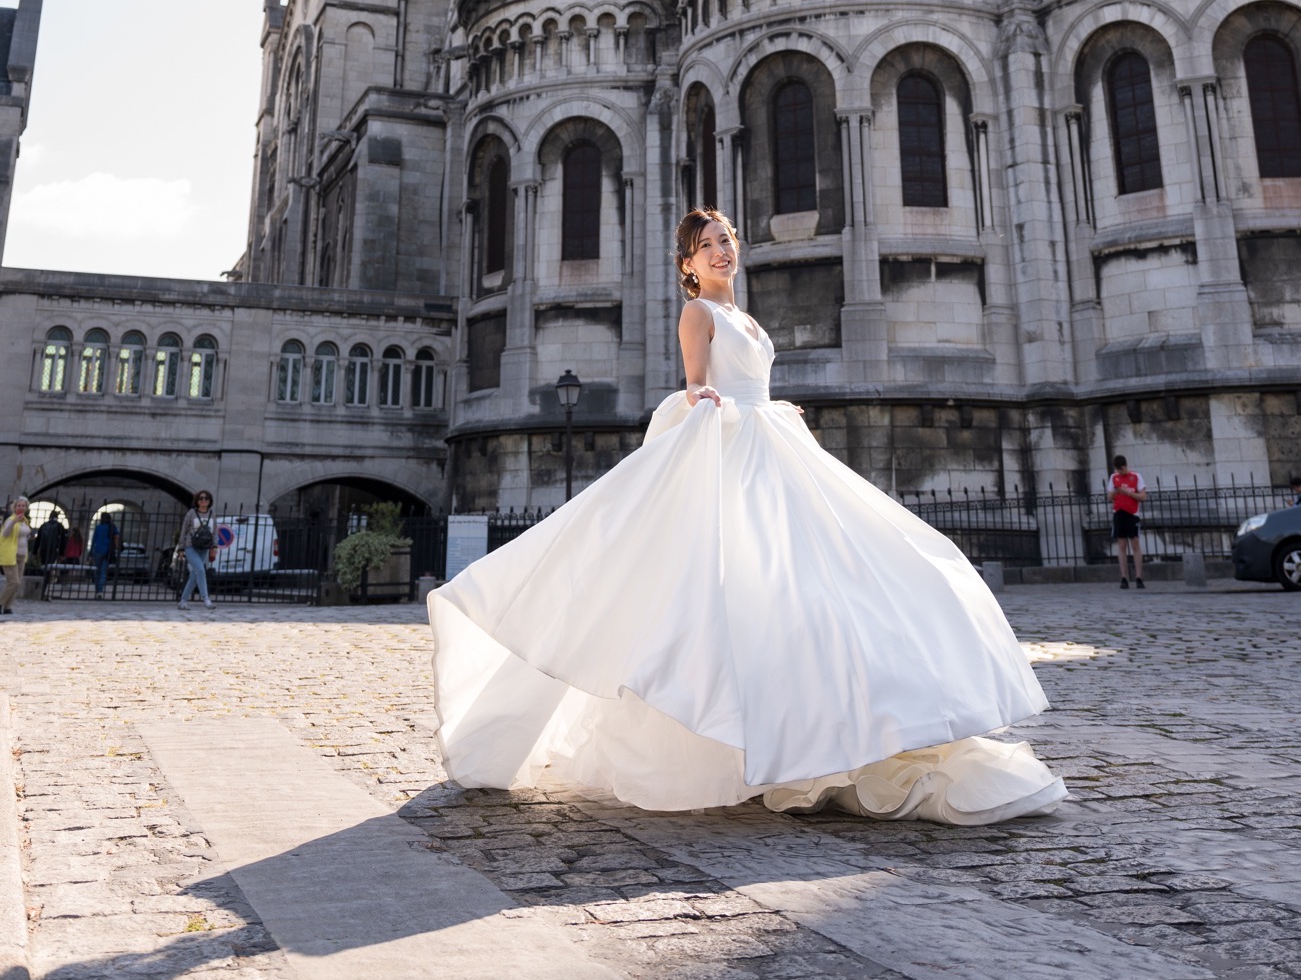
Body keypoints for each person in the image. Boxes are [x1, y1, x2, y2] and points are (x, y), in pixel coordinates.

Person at [430, 209, 1066, 825]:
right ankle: (775, 738)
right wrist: (708, 402)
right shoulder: (699, 312)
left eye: (726, 240)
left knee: (851, 569)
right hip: (737, 447)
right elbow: (698, 385)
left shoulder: (746, 317)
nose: (721, 251)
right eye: (707, 245)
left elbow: (751, 382)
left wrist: (774, 410)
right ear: (688, 263)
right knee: (752, 586)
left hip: (774, 444)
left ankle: (847, 718)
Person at [1106, 455, 1146, 588]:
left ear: (1125, 466)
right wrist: (1116, 492)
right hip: (1119, 513)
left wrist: (1127, 493)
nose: (1119, 472)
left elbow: (1143, 497)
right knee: (1122, 545)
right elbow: (1109, 497)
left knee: (1135, 544)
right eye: (1117, 470)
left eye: (1121, 469)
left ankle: (1138, 576)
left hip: (1132, 513)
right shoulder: (1113, 477)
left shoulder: (1136, 476)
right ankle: (1124, 577)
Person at [176, 491, 218, 611]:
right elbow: (184, 530)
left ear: (209, 501)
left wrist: (215, 546)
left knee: (194, 576)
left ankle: (183, 602)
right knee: (200, 569)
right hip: (191, 546)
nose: (203, 500)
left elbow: (215, 531)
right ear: (197, 500)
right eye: (201, 498)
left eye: (206, 498)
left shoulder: (212, 514)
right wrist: (181, 547)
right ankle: (206, 599)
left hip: (204, 547)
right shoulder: (191, 513)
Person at [0, 499, 31, 617]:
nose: (21, 507)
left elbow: (25, 535)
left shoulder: (25, 521)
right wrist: (14, 522)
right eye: (19, 505)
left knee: (17, 583)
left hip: (22, 554)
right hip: (10, 554)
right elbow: (5, 533)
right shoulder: (10, 519)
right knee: (13, 581)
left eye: (23, 506)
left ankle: (8, 607)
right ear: (15, 507)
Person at [90, 510, 117, 597]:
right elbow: (117, 538)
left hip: (97, 551)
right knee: (103, 572)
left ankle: (97, 589)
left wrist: (91, 552)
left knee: (97, 572)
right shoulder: (112, 527)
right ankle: (100, 591)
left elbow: (94, 540)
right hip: (107, 551)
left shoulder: (98, 527)